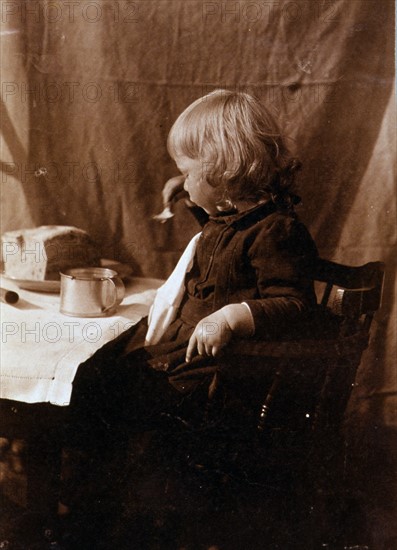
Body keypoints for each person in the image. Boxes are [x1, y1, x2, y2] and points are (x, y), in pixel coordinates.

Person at [59, 89, 328, 539]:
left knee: (114, 397)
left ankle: (110, 509)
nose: (182, 182)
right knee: (95, 374)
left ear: (224, 170)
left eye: (187, 172)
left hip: (223, 375)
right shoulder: (228, 222)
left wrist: (232, 317)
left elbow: (296, 303)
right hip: (186, 356)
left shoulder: (277, 231)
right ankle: (91, 493)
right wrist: (188, 195)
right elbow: (219, 241)